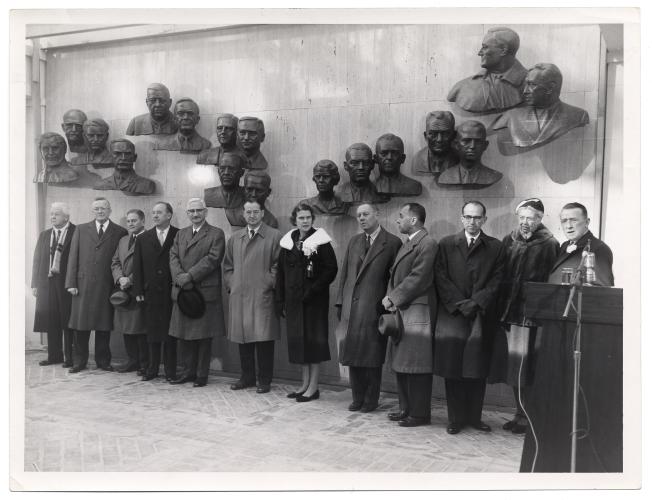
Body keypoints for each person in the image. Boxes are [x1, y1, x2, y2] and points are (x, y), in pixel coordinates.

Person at [520, 202, 617, 473]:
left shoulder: (598, 249)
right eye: (564, 221)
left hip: (579, 333)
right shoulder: (564, 247)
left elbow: (599, 287)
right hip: (557, 327)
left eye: (574, 220)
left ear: (587, 221)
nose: (569, 225)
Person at [487, 198, 560, 434]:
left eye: (531, 218)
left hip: (532, 316)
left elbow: (551, 281)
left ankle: (530, 417)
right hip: (510, 314)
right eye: (522, 218)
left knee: (530, 368)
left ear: (540, 219)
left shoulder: (549, 244)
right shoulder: (510, 239)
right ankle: (519, 414)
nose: (525, 222)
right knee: (514, 367)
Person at [433, 201, 505, 434]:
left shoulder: (495, 247)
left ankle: (474, 417)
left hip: (480, 315)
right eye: (468, 217)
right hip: (453, 315)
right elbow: (440, 276)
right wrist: (459, 304)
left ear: (484, 219)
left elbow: (498, 279)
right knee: (453, 369)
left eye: (477, 217)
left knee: (477, 369)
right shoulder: (446, 244)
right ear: (461, 218)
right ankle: (455, 419)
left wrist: (476, 303)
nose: (472, 222)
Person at [336, 203, 402, 412]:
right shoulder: (354, 241)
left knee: (372, 356)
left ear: (377, 214)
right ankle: (357, 397)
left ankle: (371, 399)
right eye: (359, 216)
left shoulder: (392, 242)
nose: (362, 218)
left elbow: (395, 279)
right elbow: (345, 274)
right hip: (352, 307)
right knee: (353, 354)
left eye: (366, 214)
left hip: (374, 307)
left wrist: (389, 304)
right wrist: (340, 302)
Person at [381, 203, 438, 427]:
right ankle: (406, 409)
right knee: (403, 363)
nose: (398, 220)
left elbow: (419, 277)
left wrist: (393, 298)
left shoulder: (427, 243)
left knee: (417, 366)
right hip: (405, 310)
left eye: (401, 216)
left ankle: (420, 414)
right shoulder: (410, 243)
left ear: (413, 220)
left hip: (417, 310)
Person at [276, 203, 338, 402]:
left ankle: (314, 386)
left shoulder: (321, 241)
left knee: (313, 344)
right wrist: (280, 299)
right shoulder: (288, 242)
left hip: (314, 302)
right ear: (295, 220)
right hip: (294, 302)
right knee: (299, 343)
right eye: (301, 218)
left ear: (312, 219)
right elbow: (281, 273)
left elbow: (331, 269)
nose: (304, 221)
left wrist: (313, 290)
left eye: (308, 218)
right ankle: (303, 384)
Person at [223, 199, 282, 394]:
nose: (252, 215)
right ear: (243, 214)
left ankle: (264, 380)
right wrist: (233, 284)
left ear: (262, 213)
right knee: (243, 338)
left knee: (264, 339)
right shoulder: (235, 237)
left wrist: (268, 282)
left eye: (255, 212)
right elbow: (228, 266)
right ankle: (246, 377)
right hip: (239, 295)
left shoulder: (274, 236)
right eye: (248, 212)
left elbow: (278, 266)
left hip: (263, 295)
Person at [168, 198, 226, 387]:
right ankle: (187, 372)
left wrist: (190, 275)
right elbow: (173, 256)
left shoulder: (216, 234)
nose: (195, 214)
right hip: (183, 291)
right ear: (187, 214)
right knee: (183, 335)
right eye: (191, 211)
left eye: (198, 211)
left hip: (202, 293)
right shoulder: (181, 234)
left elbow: (213, 259)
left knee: (203, 336)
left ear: (205, 212)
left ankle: (201, 375)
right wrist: (179, 276)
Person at [65, 197, 128, 373]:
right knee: (80, 327)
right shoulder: (81, 229)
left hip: (105, 286)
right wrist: (71, 282)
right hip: (82, 285)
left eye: (103, 208)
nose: (100, 211)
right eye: (97, 209)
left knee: (103, 326)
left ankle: (103, 361)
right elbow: (73, 257)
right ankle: (80, 361)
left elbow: (120, 259)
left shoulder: (119, 231)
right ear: (93, 211)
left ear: (110, 210)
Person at [132, 202, 180, 382]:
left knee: (170, 333)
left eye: (159, 212)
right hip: (150, 292)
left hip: (171, 291)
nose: (155, 216)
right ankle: (151, 369)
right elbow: (137, 266)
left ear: (169, 215)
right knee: (151, 333)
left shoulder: (179, 234)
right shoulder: (144, 238)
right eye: (153, 213)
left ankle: (170, 371)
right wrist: (138, 289)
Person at [492, 63, 590, 148]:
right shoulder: (511, 116)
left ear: (550, 87)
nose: (525, 91)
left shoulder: (578, 116)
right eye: (526, 84)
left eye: (531, 85)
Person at [31, 202, 76, 367]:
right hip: (46, 283)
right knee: (51, 320)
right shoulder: (45, 234)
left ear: (66, 217)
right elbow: (37, 261)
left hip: (67, 283)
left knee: (68, 319)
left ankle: (70, 357)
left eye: (56, 214)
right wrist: (35, 284)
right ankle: (54, 356)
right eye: (51, 214)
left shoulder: (76, 232)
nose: (52, 217)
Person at [447, 27, 528, 113]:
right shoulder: (462, 87)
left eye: (485, 47)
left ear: (503, 50)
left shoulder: (530, 85)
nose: (479, 53)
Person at [111, 209, 148, 374]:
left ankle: (143, 363)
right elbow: (115, 262)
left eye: (134, 220)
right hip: (123, 290)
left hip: (140, 289)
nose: (131, 224)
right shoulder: (123, 240)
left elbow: (149, 265)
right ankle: (132, 361)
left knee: (140, 328)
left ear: (143, 221)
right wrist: (120, 279)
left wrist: (131, 280)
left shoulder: (149, 238)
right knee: (126, 328)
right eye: (128, 221)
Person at [437, 121, 503, 187]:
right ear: (456, 145)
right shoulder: (445, 176)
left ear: (485, 145)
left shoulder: (493, 176)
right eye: (466, 141)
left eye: (478, 141)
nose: (472, 146)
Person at [411, 111, 458, 177]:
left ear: (454, 135)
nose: (439, 139)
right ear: (425, 136)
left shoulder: (459, 159)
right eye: (433, 134)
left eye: (445, 134)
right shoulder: (418, 160)